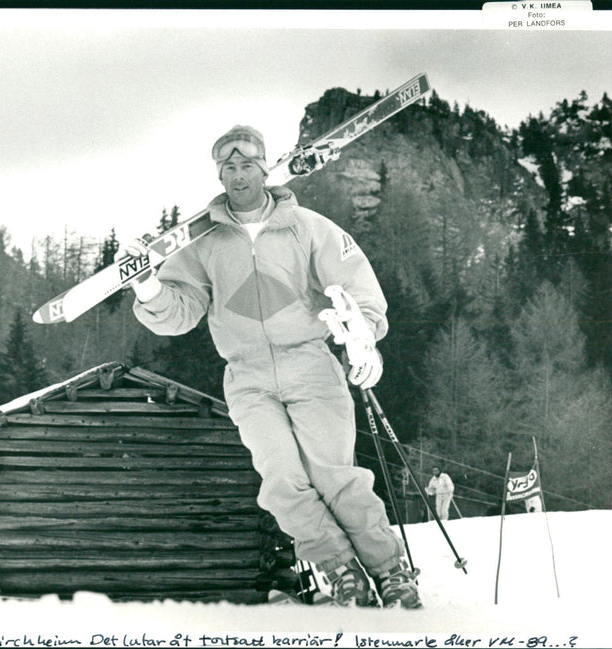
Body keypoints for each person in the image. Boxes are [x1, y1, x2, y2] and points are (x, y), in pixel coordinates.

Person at [122, 125, 421, 608]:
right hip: (248, 376)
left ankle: (391, 571)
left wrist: (363, 336)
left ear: (265, 168)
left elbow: (357, 287)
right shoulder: (203, 242)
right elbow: (179, 313)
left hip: (311, 364)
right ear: (218, 174)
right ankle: (340, 568)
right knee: (282, 481)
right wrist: (149, 290)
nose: (237, 176)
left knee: (333, 475)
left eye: (246, 165)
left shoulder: (309, 227)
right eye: (228, 168)